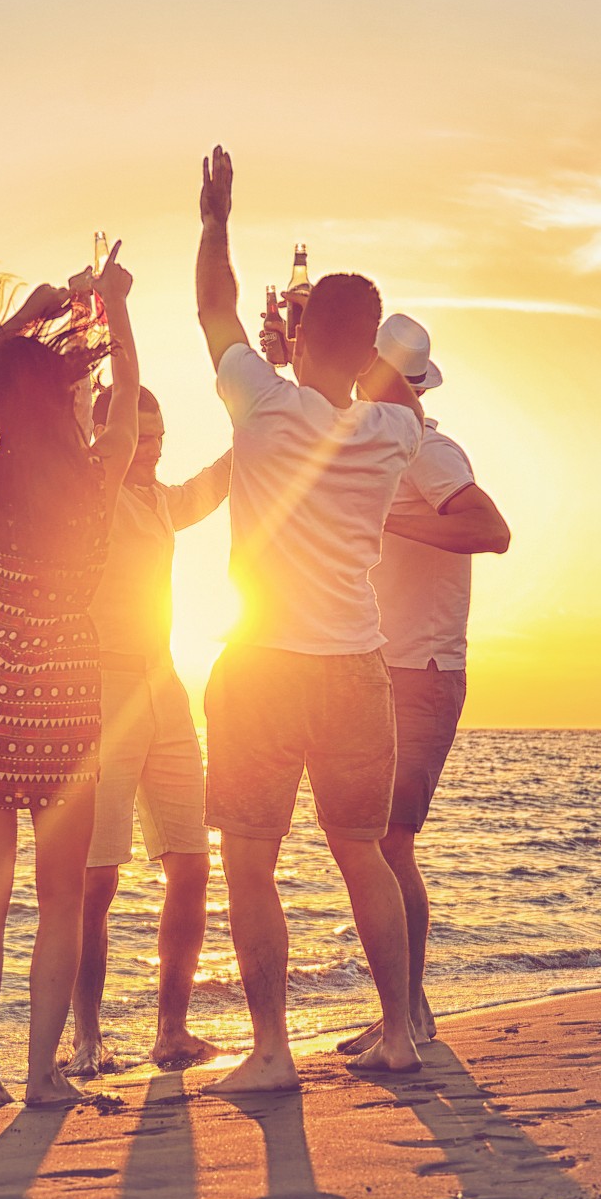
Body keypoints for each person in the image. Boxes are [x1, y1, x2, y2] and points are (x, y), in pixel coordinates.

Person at [191, 143, 427, 1093]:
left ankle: (273, 1050)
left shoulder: (261, 402)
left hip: (264, 662)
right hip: (356, 665)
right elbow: (397, 393)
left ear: (298, 329)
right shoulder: (393, 432)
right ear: (368, 350)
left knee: (250, 858)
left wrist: (217, 218)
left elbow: (211, 306)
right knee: (362, 852)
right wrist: (347, 357)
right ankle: (400, 1032)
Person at [0, 244, 142, 1109]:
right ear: (63, 400)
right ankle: (40, 1073)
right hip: (59, 673)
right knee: (60, 899)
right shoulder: (99, 474)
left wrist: (18, 325)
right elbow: (127, 395)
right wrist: (117, 306)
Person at [337, 313, 510, 1061]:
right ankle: (403, 1011)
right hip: (387, 665)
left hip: (423, 671)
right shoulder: (381, 446)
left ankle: (409, 1015)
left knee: (388, 841)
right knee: (379, 839)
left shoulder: (431, 450)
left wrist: (396, 530)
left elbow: (492, 528)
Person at [68, 386, 229, 1076]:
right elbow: (73, 445)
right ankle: (85, 1039)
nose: (156, 446)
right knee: (95, 880)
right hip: (103, 690)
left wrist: (264, 410)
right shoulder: (90, 496)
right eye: (143, 434)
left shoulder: (162, 501)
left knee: (192, 862)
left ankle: (171, 1031)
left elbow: (218, 481)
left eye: (162, 434)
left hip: (164, 689)